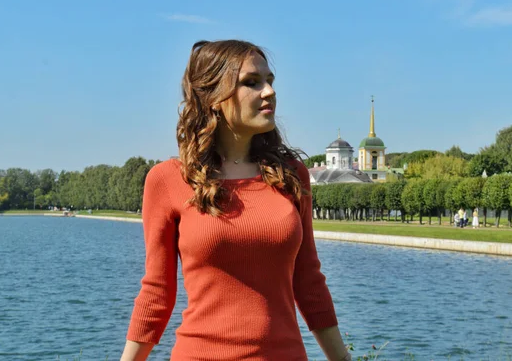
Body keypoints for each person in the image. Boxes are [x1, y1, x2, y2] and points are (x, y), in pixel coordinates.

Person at [120, 40, 351, 361]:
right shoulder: (167, 180)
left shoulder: (291, 175)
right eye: (252, 83)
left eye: (270, 81)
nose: (269, 92)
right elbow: (157, 293)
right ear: (214, 97)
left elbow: (309, 281)